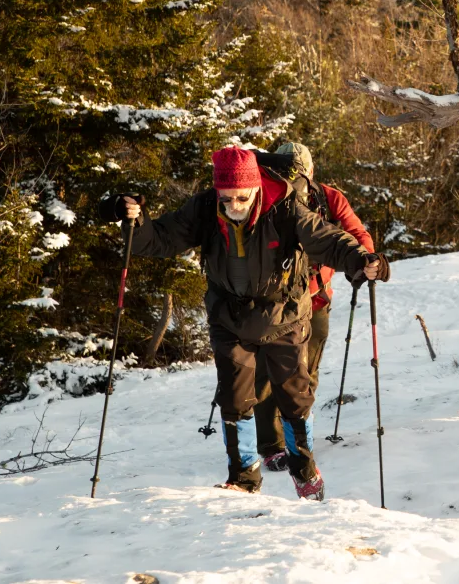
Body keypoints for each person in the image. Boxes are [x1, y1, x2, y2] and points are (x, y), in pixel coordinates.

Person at [100, 146, 390, 499]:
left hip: (284, 315)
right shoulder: (205, 210)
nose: (234, 206)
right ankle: (243, 479)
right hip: (229, 317)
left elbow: (328, 239)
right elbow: (160, 239)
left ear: (255, 188)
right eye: (227, 198)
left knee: (295, 398)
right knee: (234, 401)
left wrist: (363, 260)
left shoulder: (286, 209)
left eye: (241, 197)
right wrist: (134, 220)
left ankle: (304, 468)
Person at [255, 142, 375, 472]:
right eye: (288, 172)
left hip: (315, 297)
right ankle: (271, 445)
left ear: (310, 172)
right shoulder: (263, 195)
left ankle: (299, 439)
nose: (296, 179)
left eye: (300, 173)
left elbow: (356, 232)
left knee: (305, 372)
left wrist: (366, 257)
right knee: (266, 373)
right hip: (272, 298)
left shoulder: (329, 198)